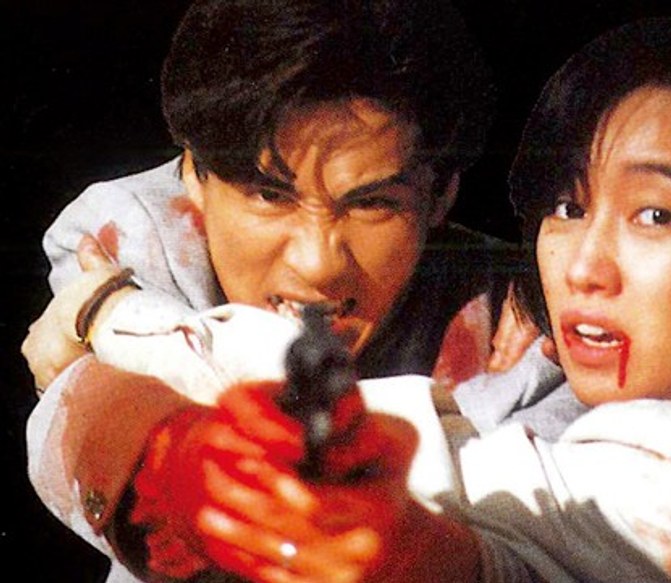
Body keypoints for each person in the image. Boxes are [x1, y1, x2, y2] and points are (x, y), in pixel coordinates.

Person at [123, 18, 671, 582]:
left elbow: (434, 483)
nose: (585, 269)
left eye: (654, 216)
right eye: (568, 207)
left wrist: (107, 316)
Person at [22, 1, 539, 581]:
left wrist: (117, 319)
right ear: (193, 175)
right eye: (270, 196)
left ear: (442, 196)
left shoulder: (522, 317)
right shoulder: (129, 234)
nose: (318, 265)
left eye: (372, 204)